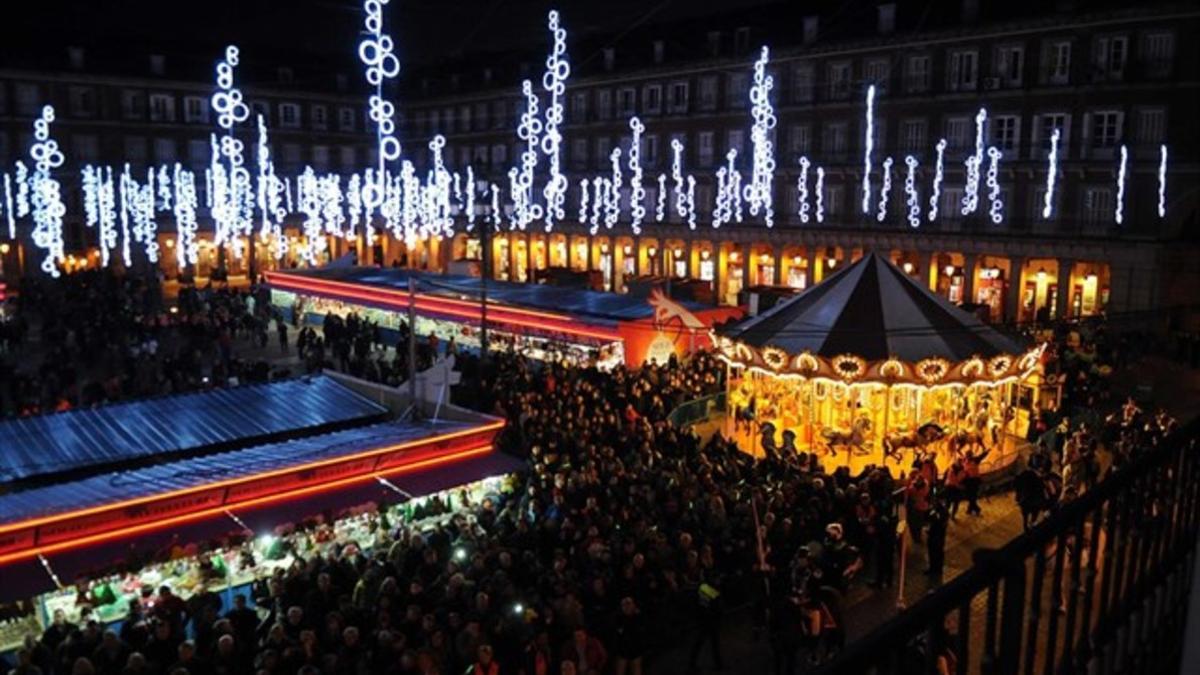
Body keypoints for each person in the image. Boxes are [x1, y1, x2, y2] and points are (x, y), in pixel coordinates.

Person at [925, 500, 949, 581]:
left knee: (937, 553)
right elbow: (928, 519)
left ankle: (938, 569)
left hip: (938, 537)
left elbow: (940, 522)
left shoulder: (943, 513)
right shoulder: (934, 511)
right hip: (932, 535)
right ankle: (932, 568)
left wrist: (934, 516)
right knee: (931, 552)